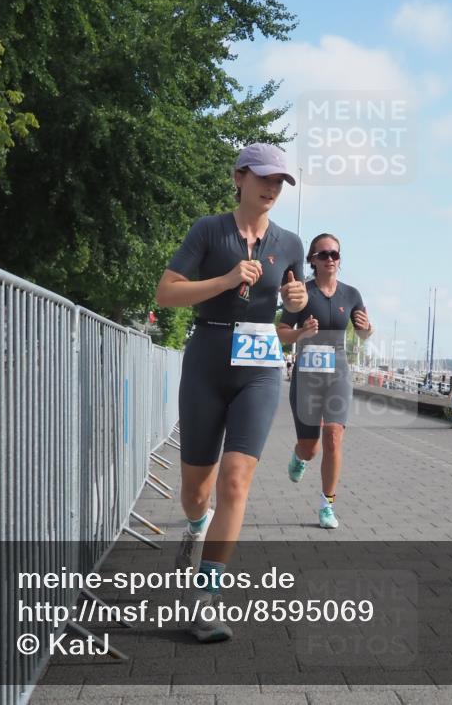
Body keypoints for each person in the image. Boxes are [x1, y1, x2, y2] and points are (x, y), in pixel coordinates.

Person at [155, 142, 307, 642]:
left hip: (260, 364)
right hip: (207, 356)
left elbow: (294, 310)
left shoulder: (290, 243)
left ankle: (205, 600)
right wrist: (224, 279)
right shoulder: (209, 230)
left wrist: (296, 300)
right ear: (239, 177)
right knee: (196, 493)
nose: (272, 188)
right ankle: (195, 525)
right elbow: (166, 292)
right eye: (264, 178)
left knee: (236, 482)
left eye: (280, 182)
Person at [277, 233, 371, 530]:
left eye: (335, 254)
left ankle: (326, 505)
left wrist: (367, 329)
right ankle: (299, 456)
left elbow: (364, 333)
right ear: (312, 260)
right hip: (307, 376)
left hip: (338, 373)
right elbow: (281, 332)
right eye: (324, 254)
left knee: (333, 435)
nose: (330, 259)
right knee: (311, 448)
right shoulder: (302, 293)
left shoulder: (352, 294)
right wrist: (301, 332)